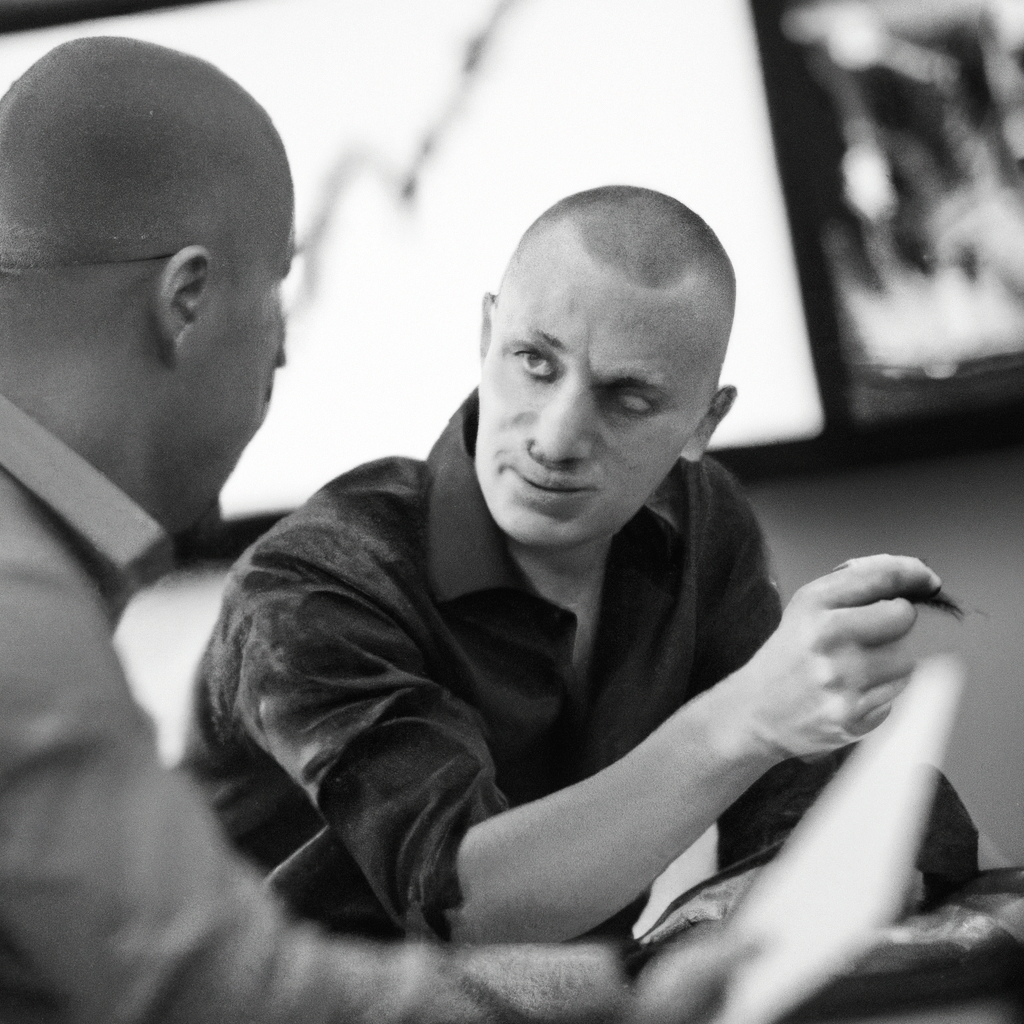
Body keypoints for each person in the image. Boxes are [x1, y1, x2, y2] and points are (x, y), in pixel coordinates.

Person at [0, 37, 748, 1024]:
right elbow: (224, 991)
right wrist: (622, 995)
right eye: (278, 288)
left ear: (704, 421)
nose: (286, 346)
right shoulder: (28, 614)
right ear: (187, 299)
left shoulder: (48, 577)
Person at [186, 185, 978, 946]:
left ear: (704, 423)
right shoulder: (310, 587)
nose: (557, 437)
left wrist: (737, 921)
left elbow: (823, 800)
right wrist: (741, 722)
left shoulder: (698, 521)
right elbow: (463, 906)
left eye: (627, 399)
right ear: (486, 336)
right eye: (534, 361)